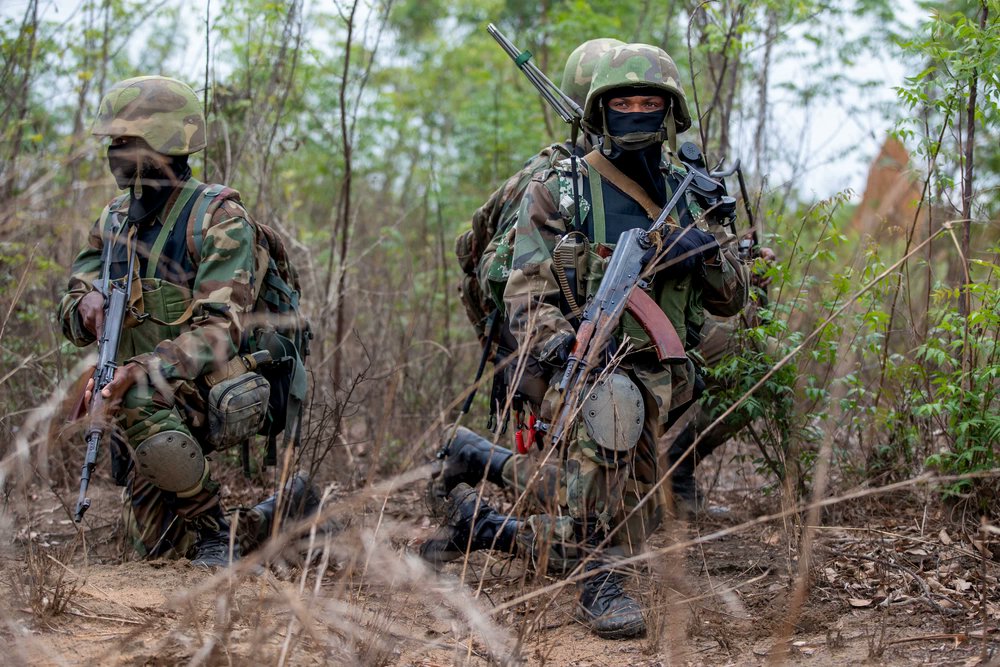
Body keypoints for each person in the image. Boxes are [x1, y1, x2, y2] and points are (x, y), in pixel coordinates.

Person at [423, 44, 750, 639]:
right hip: (584, 371)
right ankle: (600, 580)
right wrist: (561, 347)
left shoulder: (692, 192)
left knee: (638, 519)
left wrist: (703, 254)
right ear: (600, 111)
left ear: (669, 112)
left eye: (649, 102)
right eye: (622, 102)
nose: (636, 112)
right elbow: (524, 292)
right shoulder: (561, 188)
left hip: (665, 370)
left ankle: (485, 512)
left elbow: (732, 299)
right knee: (611, 412)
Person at [58, 75, 315, 567]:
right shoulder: (114, 221)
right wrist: (85, 305)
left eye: (125, 142)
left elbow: (221, 331)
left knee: (135, 392)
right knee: (156, 546)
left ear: (163, 142)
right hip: (150, 393)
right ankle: (283, 509)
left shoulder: (218, 219)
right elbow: (70, 311)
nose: (114, 152)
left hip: (217, 384)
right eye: (111, 142)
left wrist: (141, 370)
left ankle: (214, 529)